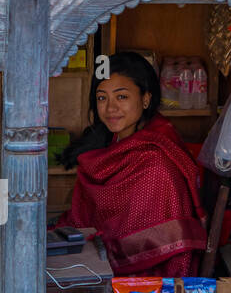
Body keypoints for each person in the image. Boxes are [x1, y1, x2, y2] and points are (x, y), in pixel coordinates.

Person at [55, 51, 208, 278]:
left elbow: (155, 245)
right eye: (102, 98)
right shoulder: (116, 140)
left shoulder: (156, 164)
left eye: (122, 97)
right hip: (104, 261)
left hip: (147, 283)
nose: (110, 108)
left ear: (145, 99)